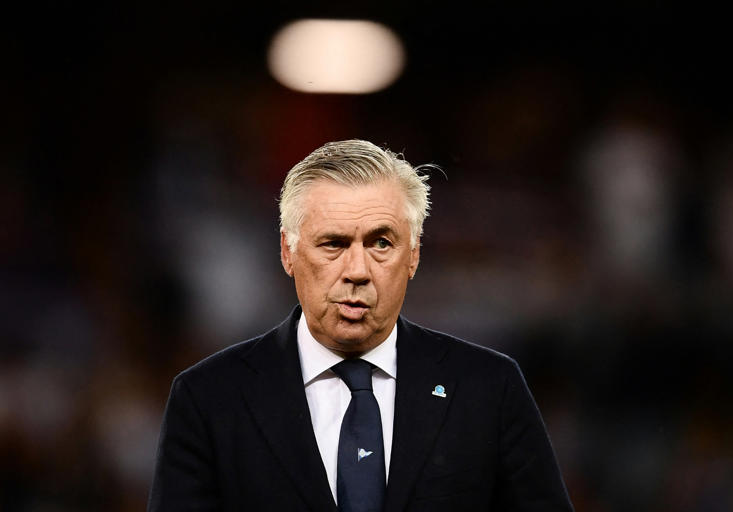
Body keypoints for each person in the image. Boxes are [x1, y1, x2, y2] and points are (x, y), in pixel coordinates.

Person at [148, 139, 574, 512]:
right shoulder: (208, 399)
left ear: (414, 255)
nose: (357, 271)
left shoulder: (489, 389)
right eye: (333, 243)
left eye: (381, 243)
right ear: (288, 252)